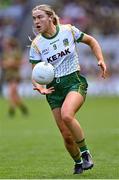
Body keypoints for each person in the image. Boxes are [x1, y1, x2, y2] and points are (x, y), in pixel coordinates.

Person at [29, 4, 107, 174]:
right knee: (66, 135)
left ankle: (86, 154)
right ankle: (78, 163)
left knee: (67, 114)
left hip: (74, 82)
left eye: (40, 17)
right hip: (53, 91)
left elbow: (91, 41)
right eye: (34, 18)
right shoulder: (36, 45)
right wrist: (40, 88)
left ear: (50, 17)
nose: (36, 21)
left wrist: (100, 59)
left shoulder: (68, 30)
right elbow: (35, 73)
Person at [2, 37, 28, 117]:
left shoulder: (16, 52)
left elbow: (23, 62)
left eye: (6, 44)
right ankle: (23, 108)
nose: (5, 45)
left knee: (11, 92)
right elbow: (3, 64)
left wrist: (14, 63)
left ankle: (11, 110)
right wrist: (7, 64)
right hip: (8, 75)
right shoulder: (5, 53)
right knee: (15, 94)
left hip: (15, 75)